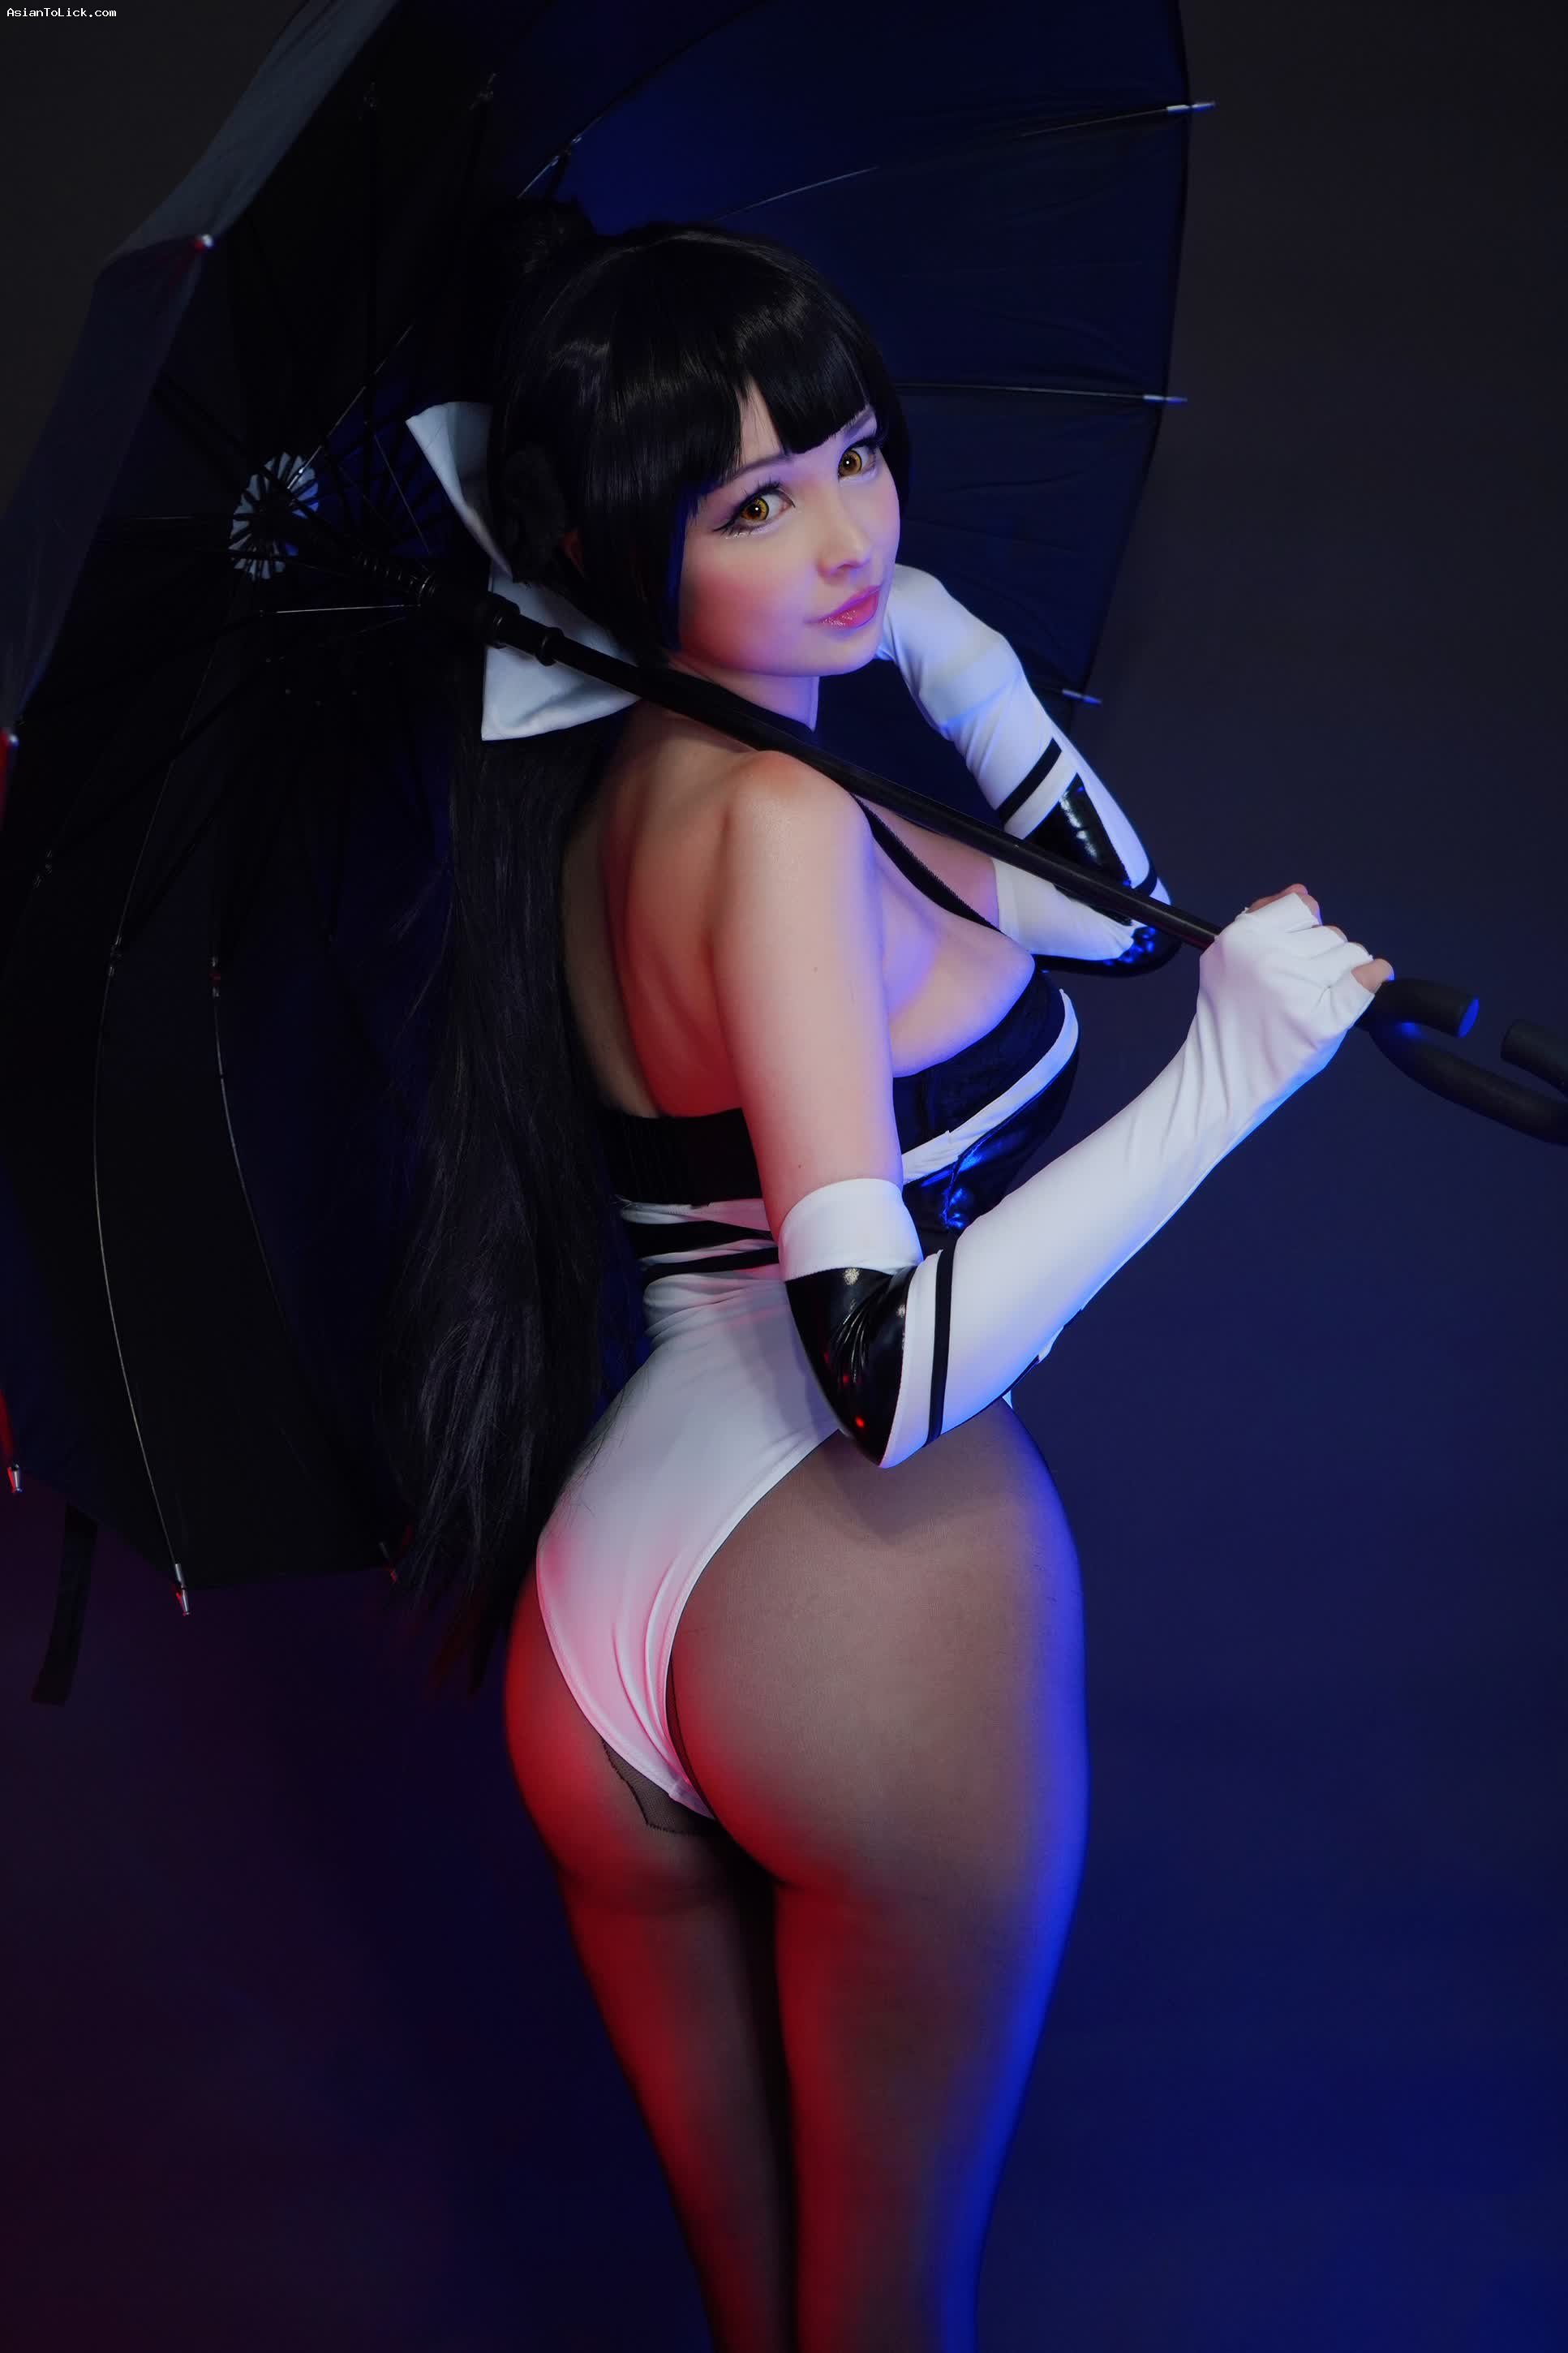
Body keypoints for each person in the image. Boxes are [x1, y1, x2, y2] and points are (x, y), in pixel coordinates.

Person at [385, 200, 1392, 2353]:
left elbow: (1107, 914)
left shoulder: (644, 800)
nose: (848, 535)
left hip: (609, 1615)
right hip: (848, 1599)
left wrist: (951, 654)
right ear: (606, 550)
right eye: (760, 504)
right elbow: (884, 1367)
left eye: (855, 456)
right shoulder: (769, 819)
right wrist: (1226, 1085)